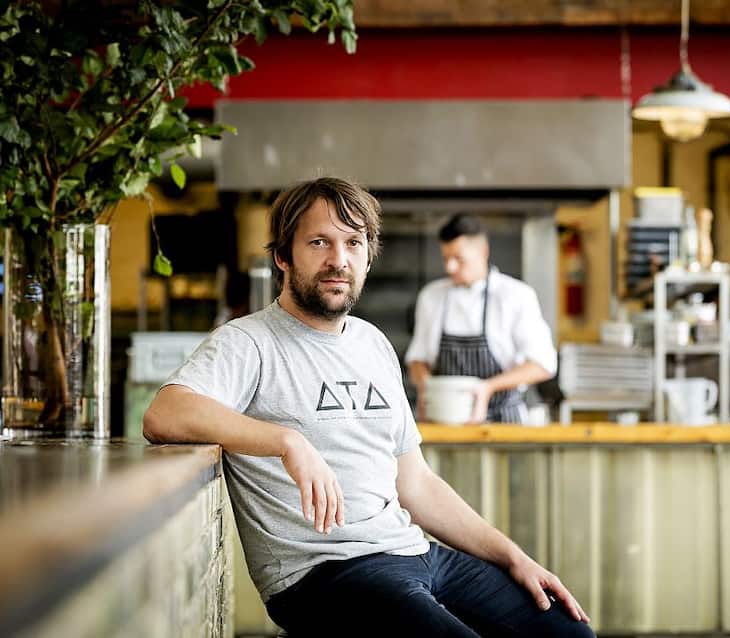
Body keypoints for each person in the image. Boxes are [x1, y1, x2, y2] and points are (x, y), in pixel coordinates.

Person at [143, 177, 592, 638]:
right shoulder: (249, 341)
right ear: (282, 256)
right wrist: (286, 440)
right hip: (324, 573)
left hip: (413, 552)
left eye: (353, 243)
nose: (339, 260)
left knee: (568, 633)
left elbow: (415, 484)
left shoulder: (372, 343)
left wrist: (512, 557)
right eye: (319, 242)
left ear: (367, 255)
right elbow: (164, 414)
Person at [406, 214, 557, 423]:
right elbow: (417, 360)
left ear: (483, 252)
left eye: (458, 259)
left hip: (504, 422)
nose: (450, 267)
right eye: (446, 258)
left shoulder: (516, 295)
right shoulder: (431, 296)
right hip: (445, 422)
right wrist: (427, 388)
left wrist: (488, 388)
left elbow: (543, 364)